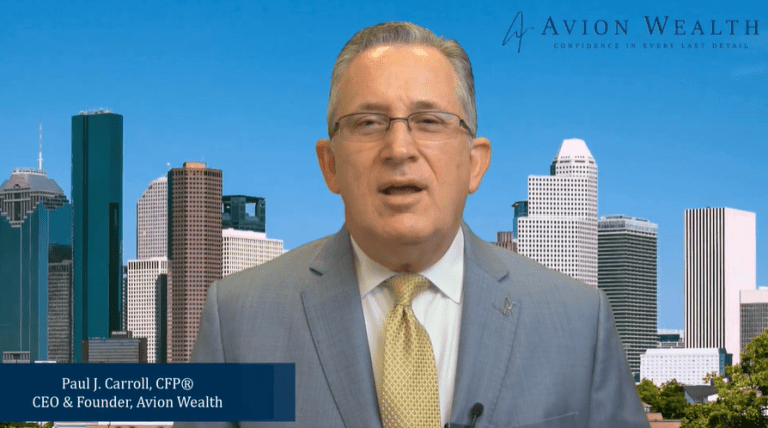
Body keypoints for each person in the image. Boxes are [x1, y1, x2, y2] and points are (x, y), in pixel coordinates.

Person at [177, 21, 649, 428]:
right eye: (368, 122)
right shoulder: (236, 320)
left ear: (474, 163)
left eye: (429, 121)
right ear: (330, 165)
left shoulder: (580, 321)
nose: (399, 148)